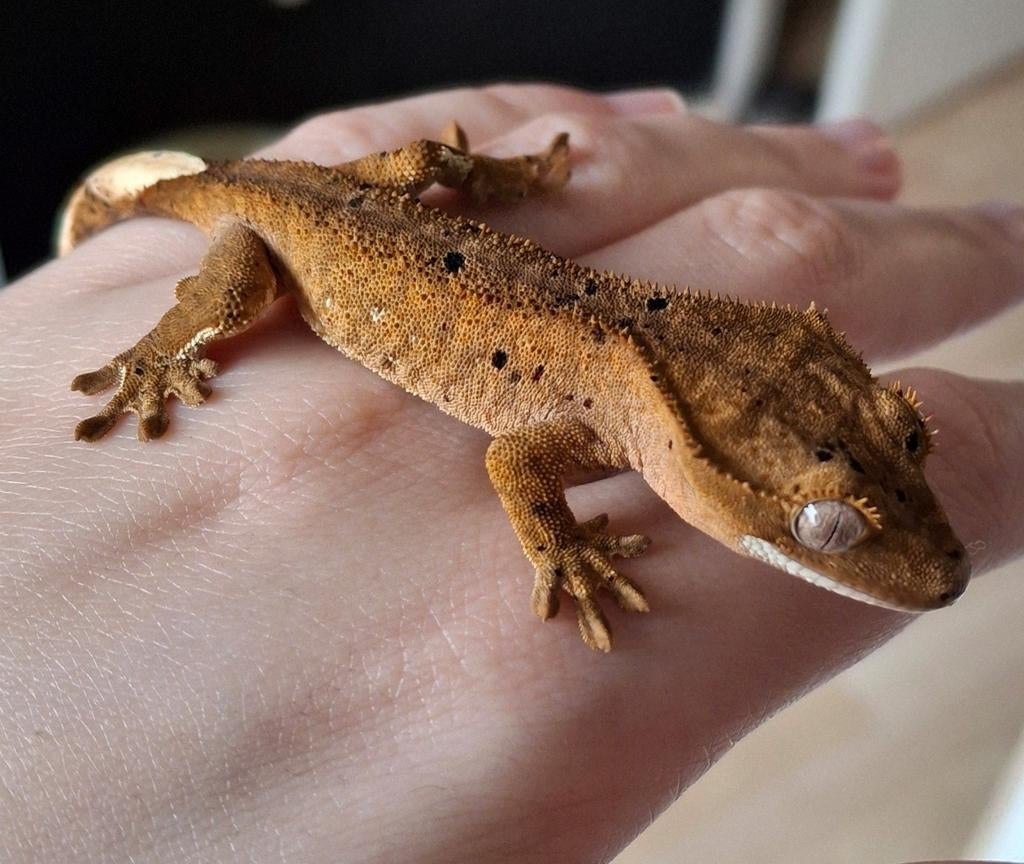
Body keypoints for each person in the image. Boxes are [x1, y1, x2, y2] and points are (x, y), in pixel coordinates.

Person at [1, 84, 1020, 862]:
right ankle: (157, 349)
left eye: (908, 436)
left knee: (414, 166)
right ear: (694, 463)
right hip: (270, 228)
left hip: (354, 197)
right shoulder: (600, 421)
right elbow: (513, 458)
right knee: (230, 291)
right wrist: (559, 543)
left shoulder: (639, 396)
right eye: (825, 526)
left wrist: (498, 178)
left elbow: (523, 440)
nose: (914, 541)